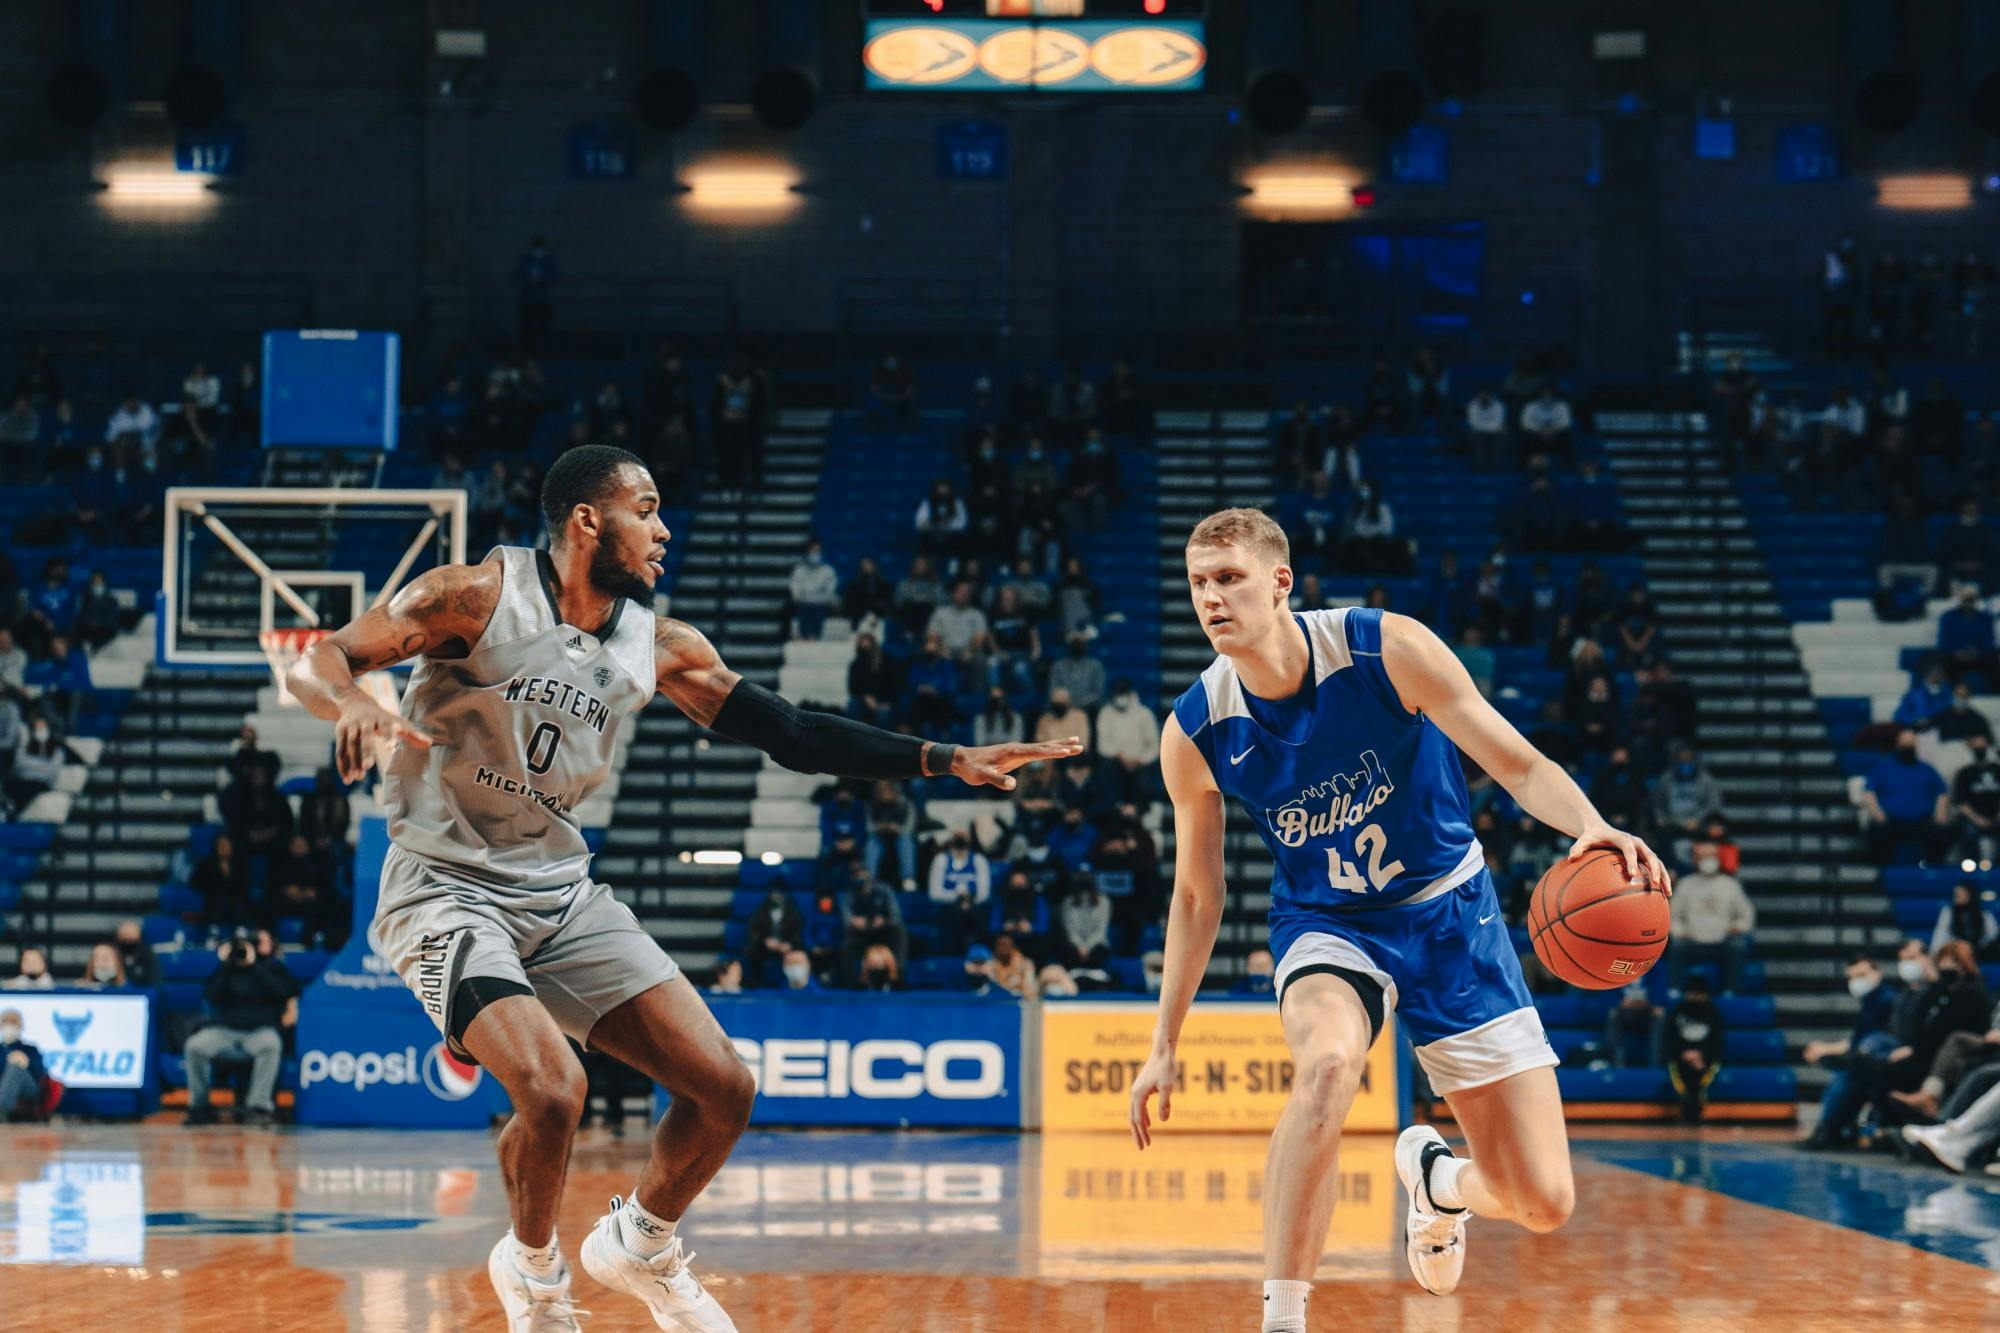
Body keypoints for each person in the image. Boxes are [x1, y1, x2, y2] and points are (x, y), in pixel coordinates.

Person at [285, 443, 1081, 1331]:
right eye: (647, 509)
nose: (664, 530)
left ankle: (641, 1242)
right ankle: (535, 1274)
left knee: (723, 1088)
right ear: (587, 520)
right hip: (443, 887)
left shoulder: (657, 645)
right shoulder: (471, 597)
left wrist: (942, 757)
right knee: (553, 1089)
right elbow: (319, 659)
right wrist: (351, 701)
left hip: (560, 892)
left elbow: (792, 732)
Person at [1131, 507, 1669, 1325]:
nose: (1211, 597)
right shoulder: (1196, 729)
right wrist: (1164, 1040)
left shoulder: (1386, 649)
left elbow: (1517, 763)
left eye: (1230, 578)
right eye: (1199, 582)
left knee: (1543, 1199)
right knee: (1327, 1066)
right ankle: (1283, 1315)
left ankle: (1440, 1183)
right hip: (1329, 924)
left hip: (1452, 914)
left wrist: (1590, 823)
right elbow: (1198, 895)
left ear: (1279, 583)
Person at [183, 935, 291, 1127]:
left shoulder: (271, 967)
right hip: (225, 1030)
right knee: (194, 1046)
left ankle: (258, 1108)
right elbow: (211, 996)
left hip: (259, 1030)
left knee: (271, 1044)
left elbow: (281, 993)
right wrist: (226, 965)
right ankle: (200, 1106)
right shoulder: (226, 970)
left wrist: (253, 965)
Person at [1668, 844, 1755, 991]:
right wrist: (1679, 931)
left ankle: (1731, 992)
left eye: (1712, 856)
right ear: (1695, 860)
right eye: (1704, 857)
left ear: (1718, 859)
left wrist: (1738, 926)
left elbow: (1747, 914)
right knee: (1677, 946)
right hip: (1692, 942)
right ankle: (1675, 990)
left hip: (1722, 942)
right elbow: (1672, 914)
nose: (1708, 860)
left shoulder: (1730, 884)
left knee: (1738, 946)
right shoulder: (1685, 884)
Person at [1861, 729, 1952, 865]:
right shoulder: (1883, 768)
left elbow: (1942, 792)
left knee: (1944, 830)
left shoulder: (1927, 769)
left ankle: (1932, 869)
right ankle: (1885, 870)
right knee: (1876, 831)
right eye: (1905, 743)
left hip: (1923, 821)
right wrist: (1877, 813)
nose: (1908, 746)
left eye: (1911, 743)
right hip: (1891, 821)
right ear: (1897, 744)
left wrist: (1940, 813)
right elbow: (1869, 792)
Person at [1663, 975, 1724, 1123]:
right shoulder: (1678, 1011)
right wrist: (1684, 1053)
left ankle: (1697, 1110)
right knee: (1680, 1077)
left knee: (1701, 1080)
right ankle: (1686, 1107)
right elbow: (1670, 1037)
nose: (1696, 997)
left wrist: (1701, 1054)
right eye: (1693, 993)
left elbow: (1717, 1040)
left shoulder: (1713, 1013)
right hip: (1680, 1056)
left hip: (1705, 1058)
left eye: (1700, 994)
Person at [744, 885, 802, 988]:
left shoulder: (794, 911)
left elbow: (798, 933)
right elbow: (753, 930)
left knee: (798, 955)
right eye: (774, 893)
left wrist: (789, 945)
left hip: (786, 947)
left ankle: (794, 986)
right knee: (752, 953)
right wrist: (765, 940)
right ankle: (756, 985)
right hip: (764, 946)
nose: (777, 896)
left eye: (780, 893)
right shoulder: (761, 910)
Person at [0, 1008, 49, 1122]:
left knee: (15, 1068)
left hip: (28, 1090)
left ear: (21, 1026)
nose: (9, 1026)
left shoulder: (30, 1049)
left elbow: (40, 1074)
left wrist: (27, 1062)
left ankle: (2, 1110)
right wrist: (6, 1059)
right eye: (6, 1022)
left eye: (13, 1022)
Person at [1931, 882, 2000, 958]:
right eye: (1956, 894)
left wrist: (1974, 948)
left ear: (1970, 894)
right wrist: (1934, 953)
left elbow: (1992, 936)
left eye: (1961, 893)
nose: (1958, 895)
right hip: (1956, 952)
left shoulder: (1985, 915)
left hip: (1980, 953)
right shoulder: (1948, 913)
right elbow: (1940, 934)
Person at [786, 539, 838, 641]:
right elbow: (795, 591)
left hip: (821, 605)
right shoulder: (799, 570)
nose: (815, 554)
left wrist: (817, 598)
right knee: (804, 610)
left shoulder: (828, 571)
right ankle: (803, 636)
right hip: (804, 604)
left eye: (817, 551)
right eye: (812, 551)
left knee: (818, 610)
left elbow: (830, 592)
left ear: (821, 553)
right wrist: (802, 597)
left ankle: (817, 637)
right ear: (807, 553)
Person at [1602, 983, 1661, 1069]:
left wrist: (1652, 1002)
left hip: (1648, 1009)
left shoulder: (1654, 973)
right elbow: (1610, 994)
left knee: (1660, 1015)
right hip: (1624, 1009)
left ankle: (1656, 1064)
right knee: (1613, 1014)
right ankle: (1617, 1063)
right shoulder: (1613, 974)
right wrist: (1621, 1002)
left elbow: (1660, 990)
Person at [112, 919, 160, 989]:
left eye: (131, 936)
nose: (127, 938)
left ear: (139, 935)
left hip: (142, 993)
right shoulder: (112, 954)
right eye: (124, 935)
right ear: (118, 936)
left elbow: (155, 982)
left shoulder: (149, 955)